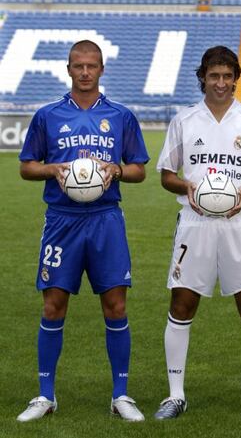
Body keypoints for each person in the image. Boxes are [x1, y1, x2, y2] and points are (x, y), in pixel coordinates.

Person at [17, 40, 149, 423]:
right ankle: (45, 396)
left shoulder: (121, 116)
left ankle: (120, 395)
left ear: (102, 69)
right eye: (79, 66)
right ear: (69, 69)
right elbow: (27, 166)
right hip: (61, 221)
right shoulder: (48, 115)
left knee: (116, 305)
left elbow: (139, 168)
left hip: (106, 220)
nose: (85, 72)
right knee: (53, 304)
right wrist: (54, 170)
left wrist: (118, 169)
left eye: (92, 66)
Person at [155, 45, 241, 422]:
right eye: (214, 76)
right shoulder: (185, 119)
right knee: (182, 305)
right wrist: (187, 188)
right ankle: (175, 396)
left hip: (239, 225)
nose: (221, 83)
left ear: (236, 78)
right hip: (195, 225)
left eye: (227, 76)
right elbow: (166, 174)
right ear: (203, 78)